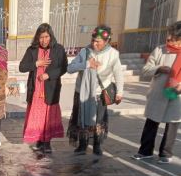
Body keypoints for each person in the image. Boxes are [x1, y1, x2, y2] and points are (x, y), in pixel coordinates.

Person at [67, 25, 124, 155]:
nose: (94, 43)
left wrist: (119, 93)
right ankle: (82, 144)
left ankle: (97, 145)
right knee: (82, 118)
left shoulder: (113, 54)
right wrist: (87, 64)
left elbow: (118, 74)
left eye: (98, 41)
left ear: (107, 41)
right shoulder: (85, 51)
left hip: (100, 93)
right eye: (93, 40)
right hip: (82, 92)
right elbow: (70, 68)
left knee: (98, 120)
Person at [132, 21, 181, 164]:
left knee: (172, 124)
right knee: (151, 123)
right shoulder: (160, 50)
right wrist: (159, 68)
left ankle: (165, 154)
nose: (170, 40)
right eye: (169, 37)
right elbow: (145, 70)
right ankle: (145, 151)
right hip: (158, 95)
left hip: (177, 96)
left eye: (174, 38)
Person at [19, 23, 68, 153]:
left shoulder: (58, 49)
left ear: (51, 36)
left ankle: (47, 143)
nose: (44, 40)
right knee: (38, 117)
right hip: (35, 91)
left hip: (50, 89)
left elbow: (63, 68)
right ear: (37, 37)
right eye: (41, 37)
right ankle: (39, 141)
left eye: (46, 37)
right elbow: (22, 67)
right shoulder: (32, 50)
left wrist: (48, 75)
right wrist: (37, 63)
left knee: (48, 116)